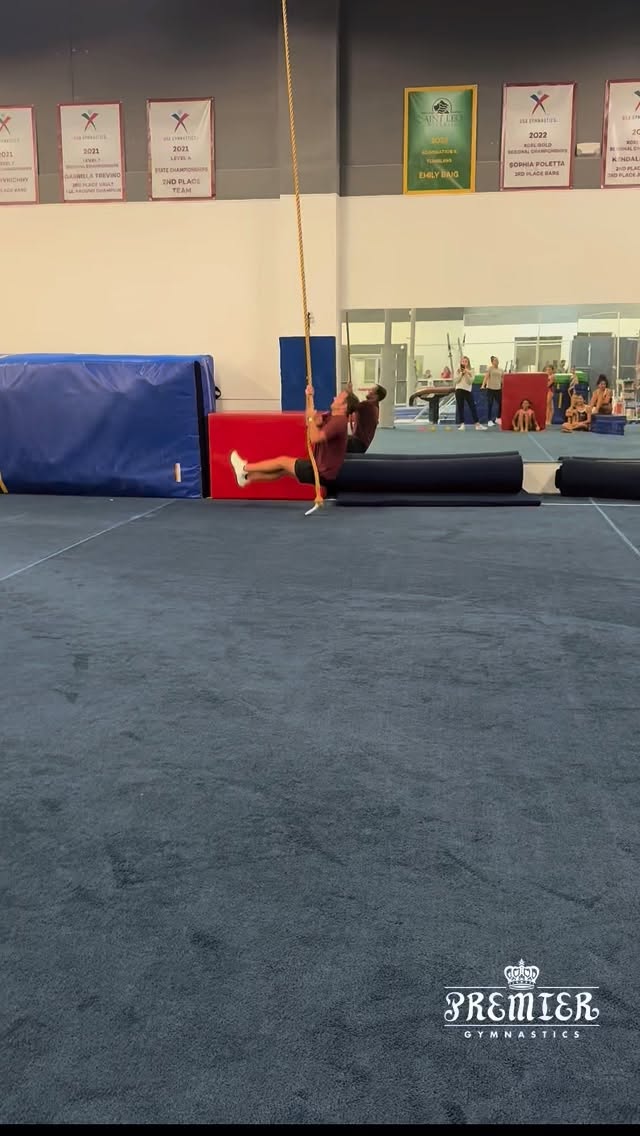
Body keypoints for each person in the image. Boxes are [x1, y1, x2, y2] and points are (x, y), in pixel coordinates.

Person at [230, 384, 349, 489]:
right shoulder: (330, 417)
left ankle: (245, 468)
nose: (334, 397)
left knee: (282, 462)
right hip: (319, 468)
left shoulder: (339, 421)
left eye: (339, 397)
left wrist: (312, 418)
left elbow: (314, 438)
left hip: (322, 473)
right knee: (282, 470)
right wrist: (309, 397)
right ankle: (246, 477)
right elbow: (310, 421)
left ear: (344, 406)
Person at [347, 384, 387, 454]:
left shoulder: (368, 406)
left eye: (371, 390)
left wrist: (349, 392)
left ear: (376, 396)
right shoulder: (374, 407)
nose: (369, 391)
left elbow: (351, 407)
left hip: (357, 444)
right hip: (361, 444)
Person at [455, 357, 487, 431]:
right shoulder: (458, 370)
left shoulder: (472, 371)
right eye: (463, 361)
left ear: (468, 363)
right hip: (459, 389)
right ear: (460, 362)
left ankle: (477, 424)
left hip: (467, 390)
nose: (464, 363)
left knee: (472, 407)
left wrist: (466, 373)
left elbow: (470, 382)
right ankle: (462, 424)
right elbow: (456, 381)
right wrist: (461, 374)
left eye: (466, 361)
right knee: (460, 407)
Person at [481, 354, 504, 427]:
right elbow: (486, 377)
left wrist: (504, 386)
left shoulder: (501, 370)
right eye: (495, 360)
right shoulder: (490, 369)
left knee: (501, 403)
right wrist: (483, 385)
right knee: (490, 404)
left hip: (498, 389)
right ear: (492, 362)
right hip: (490, 389)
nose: (497, 361)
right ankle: (489, 420)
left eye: (497, 360)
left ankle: (498, 418)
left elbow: (502, 379)